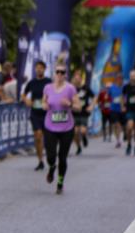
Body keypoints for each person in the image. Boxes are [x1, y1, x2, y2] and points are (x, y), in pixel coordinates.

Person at [42, 64, 80, 194]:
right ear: (54, 73)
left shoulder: (70, 88)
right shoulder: (47, 88)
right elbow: (44, 101)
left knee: (62, 157)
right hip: (50, 126)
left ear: (65, 74)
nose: (59, 74)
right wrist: (44, 105)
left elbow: (78, 106)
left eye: (62, 72)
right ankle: (52, 167)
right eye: (57, 72)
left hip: (66, 128)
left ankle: (60, 182)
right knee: (50, 156)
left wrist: (69, 104)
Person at [21, 60, 51, 171]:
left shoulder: (49, 82)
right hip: (35, 113)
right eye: (37, 67)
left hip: (47, 113)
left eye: (41, 68)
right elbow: (23, 94)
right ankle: (40, 161)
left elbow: (55, 93)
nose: (39, 69)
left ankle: (50, 156)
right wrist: (26, 100)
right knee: (38, 136)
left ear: (44, 69)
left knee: (48, 138)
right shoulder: (32, 82)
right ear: (35, 69)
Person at [71, 69, 93, 155]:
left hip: (84, 112)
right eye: (75, 78)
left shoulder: (86, 87)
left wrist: (91, 106)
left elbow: (94, 97)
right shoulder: (71, 89)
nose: (77, 79)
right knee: (75, 132)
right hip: (74, 113)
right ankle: (78, 147)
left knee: (83, 131)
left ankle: (84, 137)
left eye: (79, 77)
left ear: (81, 78)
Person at [106, 72, 126, 149]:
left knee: (122, 125)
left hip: (122, 109)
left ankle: (124, 134)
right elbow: (108, 96)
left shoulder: (124, 87)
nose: (120, 80)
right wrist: (107, 96)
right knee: (116, 124)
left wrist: (124, 103)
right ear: (116, 80)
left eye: (121, 79)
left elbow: (126, 97)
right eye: (119, 79)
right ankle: (118, 140)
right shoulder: (112, 87)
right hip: (113, 108)